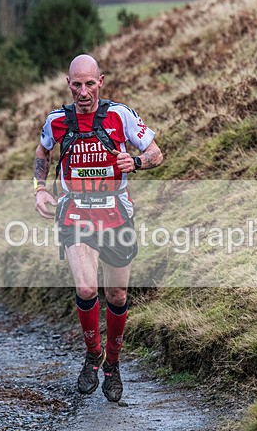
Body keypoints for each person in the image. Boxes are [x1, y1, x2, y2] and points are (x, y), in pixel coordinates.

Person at [34, 54, 163, 402]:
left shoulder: (119, 115)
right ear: (68, 83)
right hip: (75, 213)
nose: (83, 91)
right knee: (88, 288)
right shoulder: (57, 120)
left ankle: (114, 365)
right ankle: (93, 355)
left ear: (100, 82)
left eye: (90, 84)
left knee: (117, 295)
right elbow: (42, 152)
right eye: (77, 84)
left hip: (116, 214)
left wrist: (134, 162)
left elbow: (155, 153)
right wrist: (40, 189)